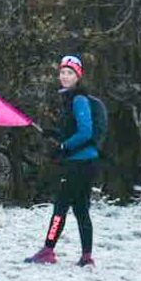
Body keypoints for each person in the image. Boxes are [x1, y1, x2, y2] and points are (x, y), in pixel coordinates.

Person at [26, 54, 103, 267]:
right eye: (62, 72)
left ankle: (48, 250)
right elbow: (74, 130)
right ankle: (86, 257)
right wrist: (57, 135)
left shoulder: (78, 99)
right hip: (87, 164)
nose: (65, 76)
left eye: (70, 73)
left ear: (78, 76)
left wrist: (63, 146)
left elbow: (85, 132)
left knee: (60, 207)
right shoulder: (72, 98)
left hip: (78, 165)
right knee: (81, 210)